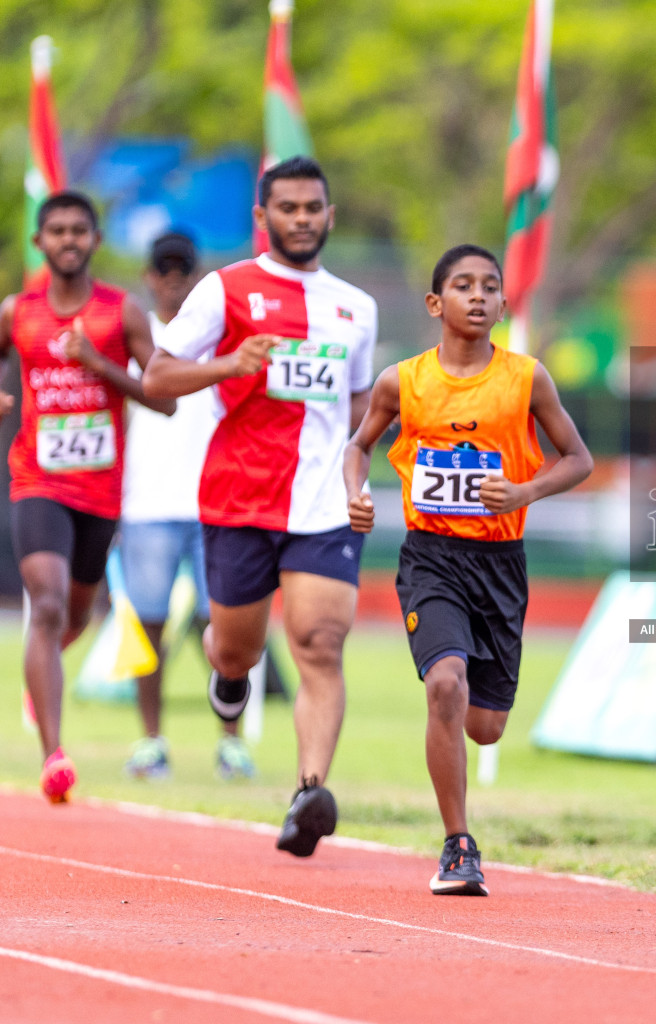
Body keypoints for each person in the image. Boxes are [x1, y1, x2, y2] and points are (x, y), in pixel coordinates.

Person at [142, 156, 377, 857]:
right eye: (288, 208)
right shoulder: (225, 290)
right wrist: (230, 364)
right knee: (237, 648)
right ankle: (229, 675)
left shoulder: (355, 307)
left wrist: (358, 470)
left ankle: (309, 793)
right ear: (263, 218)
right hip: (238, 501)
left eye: (313, 208)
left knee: (318, 644)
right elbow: (157, 378)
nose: (302, 219)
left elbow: (360, 401)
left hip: (323, 508)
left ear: (330, 216)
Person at [344, 244, 592, 895]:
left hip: (500, 562)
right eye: (463, 285)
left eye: (490, 286)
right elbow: (358, 445)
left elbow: (578, 459)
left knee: (484, 726)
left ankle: (464, 771)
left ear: (505, 302)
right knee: (445, 687)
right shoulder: (403, 381)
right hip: (431, 558)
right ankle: (458, 845)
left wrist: (524, 492)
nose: (478, 296)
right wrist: (356, 493)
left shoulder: (526, 378)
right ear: (436, 303)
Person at [0, 190, 175, 802]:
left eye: (79, 230)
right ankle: (54, 754)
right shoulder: (16, 312)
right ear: (40, 242)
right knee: (44, 605)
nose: (68, 240)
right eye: (57, 231)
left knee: (74, 614)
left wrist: (100, 365)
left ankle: (39, 667)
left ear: (95, 240)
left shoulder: (121, 313)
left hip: (100, 492)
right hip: (36, 481)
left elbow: (165, 397)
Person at [120, 232, 255, 781]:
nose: (174, 277)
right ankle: (151, 741)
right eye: (164, 269)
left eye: (184, 269)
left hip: (213, 500)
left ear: (197, 276)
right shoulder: (136, 335)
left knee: (224, 627)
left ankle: (231, 742)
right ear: (149, 277)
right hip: (147, 501)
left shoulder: (215, 335)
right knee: (148, 627)